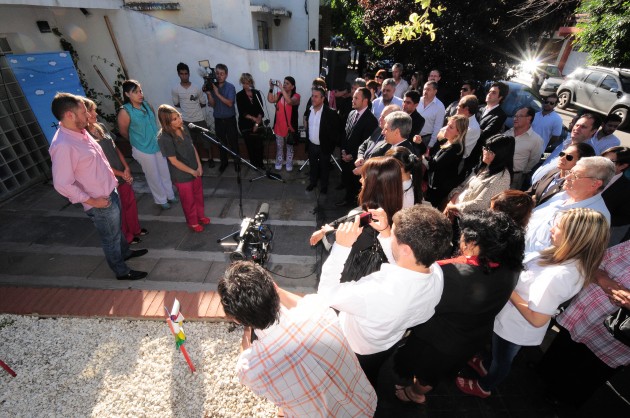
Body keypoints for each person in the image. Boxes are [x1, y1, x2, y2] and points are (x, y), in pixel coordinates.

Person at [457, 208, 610, 398]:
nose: (552, 228)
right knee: (496, 352)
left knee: (502, 361)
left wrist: (507, 288)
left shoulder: (560, 275)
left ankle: (485, 386)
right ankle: (485, 364)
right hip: (509, 319)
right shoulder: (561, 254)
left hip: (515, 328)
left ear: (575, 236)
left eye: (558, 226)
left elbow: (538, 319)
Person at [393, 210, 525, 405]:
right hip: (472, 336)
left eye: (463, 234)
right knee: (436, 371)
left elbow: (420, 303)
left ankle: (415, 393)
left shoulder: (450, 273)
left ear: (473, 244)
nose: (460, 239)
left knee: (426, 374)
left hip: (438, 340)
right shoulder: (511, 267)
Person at [218, 261, 377, 417]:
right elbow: (304, 302)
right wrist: (275, 290)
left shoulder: (250, 369)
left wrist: (247, 329)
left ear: (237, 320)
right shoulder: (318, 309)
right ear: (274, 287)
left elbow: (244, 356)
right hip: (364, 405)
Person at [318, 205, 453, 388]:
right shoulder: (435, 272)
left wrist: (341, 247)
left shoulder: (378, 290)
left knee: (350, 382)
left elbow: (326, 295)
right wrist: (386, 232)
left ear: (405, 249)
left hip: (356, 347)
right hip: (388, 342)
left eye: (394, 237)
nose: (392, 240)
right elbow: (404, 261)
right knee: (370, 377)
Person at [50, 92, 148, 281]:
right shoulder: (63, 145)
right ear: (70, 115)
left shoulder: (80, 132)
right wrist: (92, 201)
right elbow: (62, 184)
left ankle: (125, 252)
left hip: (111, 191)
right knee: (110, 239)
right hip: (100, 202)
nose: (88, 116)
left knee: (117, 230)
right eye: (83, 112)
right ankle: (121, 271)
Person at [538, 240, 630, 407]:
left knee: (591, 368)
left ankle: (565, 400)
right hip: (587, 310)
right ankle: (546, 374)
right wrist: (603, 279)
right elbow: (596, 261)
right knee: (565, 345)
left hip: (616, 334)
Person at [311, 156, 404, 284]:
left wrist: (327, 232)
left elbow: (340, 244)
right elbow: (352, 219)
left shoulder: (372, 220)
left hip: (352, 274)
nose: (360, 180)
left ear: (374, 184)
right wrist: (329, 227)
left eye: (364, 177)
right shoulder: (384, 208)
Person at [83, 98, 147, 245]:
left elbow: (115, 148)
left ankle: (135, 229)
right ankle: (127, 236)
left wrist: (126, 167)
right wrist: (120, 173)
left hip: (122, 172)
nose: (95, 113)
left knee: (130, 202)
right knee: (120, 209)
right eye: (91, 110)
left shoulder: (101, 127)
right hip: (110, 178)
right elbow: (99, 163)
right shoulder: (85, 137)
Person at [525, 156, 614, 253]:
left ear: (595, 184)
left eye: (575, 175)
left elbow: (570, 256)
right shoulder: (562, 195)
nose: (567, 177)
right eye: (570, 172)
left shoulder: (595, 218)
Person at [117, 80, 177, 210]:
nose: (140, 94)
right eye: (136, 92)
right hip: (142, 149)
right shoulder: (125, 111)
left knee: (164, 172)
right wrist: (137, 141)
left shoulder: (147, 105)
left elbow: (154, 123)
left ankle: (170, 195)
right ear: (127, 94)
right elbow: (123, 131)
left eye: (140, 91)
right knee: (153, 175)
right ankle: (161, 200)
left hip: (157, 144)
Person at [157, 105, 209, 232]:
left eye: (178, 116)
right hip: (181, 175)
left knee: (198, 195)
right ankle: (192, 222)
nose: (179, 119)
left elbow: (192, 147)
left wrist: (199, 165)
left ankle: (200, 216)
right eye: (174, 119)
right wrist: (192, 171)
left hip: (194, 168)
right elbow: (173, 161)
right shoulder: (164, 137)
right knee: (188, 200)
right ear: (166, 122)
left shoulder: (184, 128)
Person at [444, 134, 514, 219]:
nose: (486, 153)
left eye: (491, 152)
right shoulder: (485, 166)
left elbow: (481, 204)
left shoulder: (502, 178)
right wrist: (451, 202)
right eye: (485, 148)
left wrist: (452, 207)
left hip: (468, 221)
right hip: (455, 211)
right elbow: (463, 186)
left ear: (501, 156)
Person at [337, 87, 379, 207]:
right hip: (346, 157)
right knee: (347, 180)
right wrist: (344, 151)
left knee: (356, 185)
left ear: (365, 100)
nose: (352, 100)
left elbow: (367, 143)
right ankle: (348, 199)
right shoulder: (351, 113)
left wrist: (352, 155)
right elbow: (345, 134)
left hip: (357, 160)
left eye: (356, 98)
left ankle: (357, 205)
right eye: (353, 97)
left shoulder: (371, 121)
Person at [531, 113, 601, 184]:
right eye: (577, 125)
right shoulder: (567, 141)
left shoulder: (589, 155)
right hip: (536, 185)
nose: (577, 128)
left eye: (583, 127)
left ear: (593, 131)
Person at [171, 62, 214, 168]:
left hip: (199, 118)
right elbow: (176, 104)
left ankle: (211, 159)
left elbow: (203, 103)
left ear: (189, 74)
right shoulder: (175, 89)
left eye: (186, 73)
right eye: (182, 74)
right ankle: (198, 160)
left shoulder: (196, 88)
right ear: (178, 74)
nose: (184, 76)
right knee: (191, 142)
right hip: (186, 120)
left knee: (207, 140)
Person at [527, 142, 596, 207]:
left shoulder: (573, 186)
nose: (562, 158)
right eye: (562, 154)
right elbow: (531, 191)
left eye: (569, 157)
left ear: (580, 163)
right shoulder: (552, 172)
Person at [463, 82, 508, 178]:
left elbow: (486, 134)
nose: (489, 94)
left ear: (500, 97)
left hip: (475, 155)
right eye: (489, 91)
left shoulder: (500, 115)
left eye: (494, 93)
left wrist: (469, 129)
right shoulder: (479, 108)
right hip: (463, 147)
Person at [425, 114, 467, 209]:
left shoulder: (455, 148)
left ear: (458, 132)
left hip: (440, 188)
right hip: (433, 183)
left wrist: (424, 158)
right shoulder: (446, 140)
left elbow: (434, 165)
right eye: (447, 125)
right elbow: (431, 155)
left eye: (451, 127)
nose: (446, 128)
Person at [304, 86, 340, 194]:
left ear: (322, 98)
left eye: (316, 96)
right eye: (312, 96)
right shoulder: (309, 110)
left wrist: (331, 146)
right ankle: (313, 183)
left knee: (325, 168)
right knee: (313, 166)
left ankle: (324, 187)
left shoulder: (330, 113)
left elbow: (335, 131)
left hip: (324, 146)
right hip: (311, 145)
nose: (313, 98)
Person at [205, 63, 239, 173]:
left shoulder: (230, 87)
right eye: (217, 73)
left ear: (226, 75)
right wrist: (209, 94)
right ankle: (224, 163)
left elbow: (230, 103)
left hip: (230, 119)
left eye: (222, 74)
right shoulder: (213, 86)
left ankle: (236, 163)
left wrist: (217, 93)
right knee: (221, 143)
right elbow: (212, 104)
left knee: (233, 142)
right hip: (218, 120)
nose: (219, 76)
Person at [503, 107, 544, 190]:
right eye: (515, 116)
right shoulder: (508, 132)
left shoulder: (536, 140)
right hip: (498, 171)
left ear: (529, 118)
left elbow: (534, 160)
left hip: (514, 177)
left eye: (519, 116)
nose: (515, 119)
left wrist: (521, 172)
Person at [268, 76, 300, 171]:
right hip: (278, 126)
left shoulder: (296, 96)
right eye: (284, 83)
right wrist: (271, 88)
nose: (285, 84)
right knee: (279, 147)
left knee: (290, 147)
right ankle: (279, 161)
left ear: (292, 86)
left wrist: (281, 88)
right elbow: (270, 100)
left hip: (290, 128)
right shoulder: (279, 94)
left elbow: (290, 102)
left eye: (287, 83)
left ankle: (289, 163)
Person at [235, 73, 265, 169]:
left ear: (251, 83)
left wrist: (257, 122)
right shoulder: (239, 95)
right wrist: (254, 119)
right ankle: (254, 164)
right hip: (245, 123)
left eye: (247, 83)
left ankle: (260, 163)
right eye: (243, 83)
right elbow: (242, 112)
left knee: (259, 144)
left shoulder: (257, 93)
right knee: (250, 145)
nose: (245, 85)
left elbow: (261, 110)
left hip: (258, 122)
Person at [601, 146, 630, 245]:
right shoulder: (588, 174)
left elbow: (623, 218)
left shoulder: (626, 189)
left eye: (609, 161)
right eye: (602, 158)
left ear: (623, 166)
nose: (601, 163)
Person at [417, 81, 446, 148]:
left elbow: (437, 127)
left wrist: (430, 145)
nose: (425, 91)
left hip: (426, 139)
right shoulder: (417, 101)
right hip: (412, 135)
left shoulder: (440, 107)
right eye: (424, 89)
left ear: (435, 91)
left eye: (428, 89)